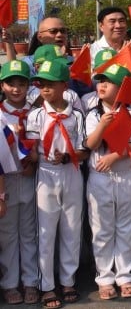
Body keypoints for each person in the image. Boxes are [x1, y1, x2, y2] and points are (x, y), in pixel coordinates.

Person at [25, 59, 88, 308]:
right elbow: (31, 148)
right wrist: (30, 154)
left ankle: (68, 281)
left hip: (71, 172)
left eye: (51, 84)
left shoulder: (76, 115)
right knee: (46, 231)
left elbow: (85, 149)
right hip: (46, 173)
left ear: (65, 85)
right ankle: (47, 286)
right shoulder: (36, 115)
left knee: (72, 229)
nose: (45, 89)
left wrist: (70, 156)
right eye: (42, 84)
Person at [84, 64, 131, 300]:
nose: (102, 85)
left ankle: (125, 275)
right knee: (102, 229)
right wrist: (103, 124)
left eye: (108, 82)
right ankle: (105, 277)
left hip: (127, 175)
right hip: (101, 178)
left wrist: (114, 156)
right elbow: (90, 145)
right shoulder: (93, 113)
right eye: (100, 81)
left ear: (121, 89)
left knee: (126, 228)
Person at [0, 61, 39, 305]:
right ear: (2, 85)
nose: (16, 89)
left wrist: (32, 164)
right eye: (10, 83)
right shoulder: (0, 114)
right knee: (7, 234)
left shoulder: (33, 112)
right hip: (6, 180)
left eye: (21, 83)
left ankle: (31, 281)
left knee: (29, 231)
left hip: (30, 176)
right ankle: (10, 283)